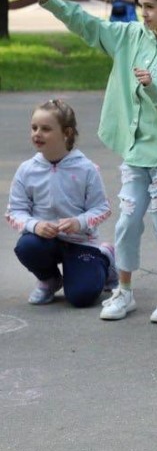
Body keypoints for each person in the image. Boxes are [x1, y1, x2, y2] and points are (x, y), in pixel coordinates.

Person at [30, 0, 157, 322]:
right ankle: (124, 291)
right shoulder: (130, 36)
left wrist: (153, 87)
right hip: (135, 150)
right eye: (141, 6)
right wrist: (50, 0)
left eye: (151, 7)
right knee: (126, 221)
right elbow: (87, 25)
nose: (144, 13)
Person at [5, 99, 114, 307]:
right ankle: (49, 280)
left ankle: (105, 257)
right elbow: (14, 212)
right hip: (44, 241)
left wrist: (79, 222)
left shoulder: (86, 169)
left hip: (80, 241)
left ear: (67, 133)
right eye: (34, 127)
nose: (37, 133)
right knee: (27, 246)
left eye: (46, 129)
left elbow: (103, 208)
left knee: (82, 297)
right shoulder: (27, 170)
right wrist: (35, 225)